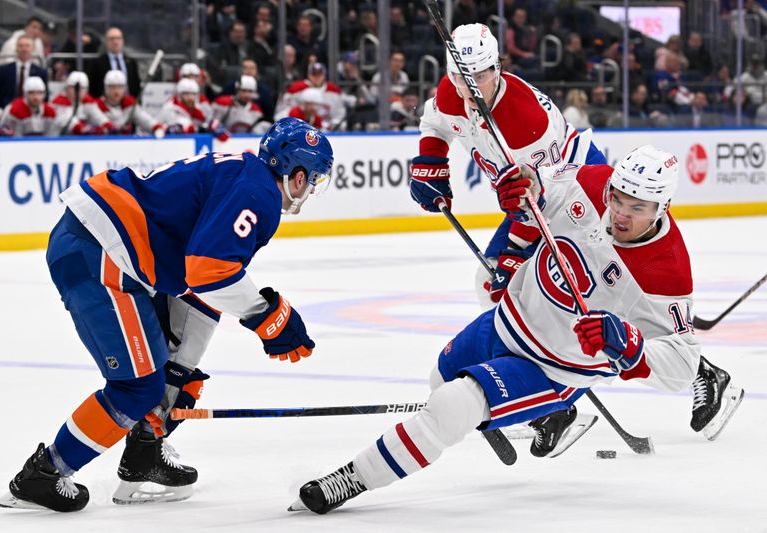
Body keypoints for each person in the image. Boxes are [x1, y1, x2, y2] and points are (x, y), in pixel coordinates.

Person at [292, 145, 744, 515]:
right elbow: (543, 182)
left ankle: (350, 479)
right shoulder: (593, 182)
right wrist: (524, 185)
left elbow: (684, 363)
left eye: (637, 208)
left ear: (663, 207)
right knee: (439, 382)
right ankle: (532, 417)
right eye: (617, 198)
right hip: (506, 321)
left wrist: (630, 345)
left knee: (453, 405)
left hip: (555, 371)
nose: (620, 214)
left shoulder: (667, 271)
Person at [0, 117, 334, 512]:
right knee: (137, 388)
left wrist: (182, 367)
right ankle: (42, 475)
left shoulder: (246, 174)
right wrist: (265, 315)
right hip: (99, 253)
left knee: (169, 378)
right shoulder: (258, 195)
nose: (310, 190)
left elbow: (204, 288)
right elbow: (209, 272)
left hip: (102, 246)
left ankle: (144, 456)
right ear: (296, 175)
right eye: (313, 180)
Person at [407, 23, 605, 310]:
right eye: (462, 77)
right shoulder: (451, 92)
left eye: (480, 75)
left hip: (580, 187)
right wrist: (432, 158)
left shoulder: (525, 123)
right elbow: (434, 122)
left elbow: (541, 198)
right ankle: (515, 351)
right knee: (491, 283)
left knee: (595, 279)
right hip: (532, 201)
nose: (471, 87)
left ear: (497, 67)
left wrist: (515, 250)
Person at [96, 70, 164, 136]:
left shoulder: (129, 105)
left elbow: (146, 120)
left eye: (120, 87)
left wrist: (157, 127)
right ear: (106, 88)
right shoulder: (97, 106)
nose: (116, 91)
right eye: (112, 87)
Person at [0, 35, 48, 111]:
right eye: (21, 46)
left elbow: (45, 96)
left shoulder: (41, 72)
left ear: (32, 48)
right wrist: (0, 111)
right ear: (16, 48)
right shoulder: (3, 70)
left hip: (31, 112)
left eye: (27, 46)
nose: (24, 49)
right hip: (8, 111)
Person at [52, 71, 111, 135]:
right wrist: (93, 130)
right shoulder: (59, 103)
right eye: (73, 88)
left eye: (81, 88)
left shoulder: (87, 102)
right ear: (67, 88)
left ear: (86, 90)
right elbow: (75, 126)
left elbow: (100, 118)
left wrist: (110, 127)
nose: (77, 91)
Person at [87, 27, 141, 99]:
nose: (115, 42)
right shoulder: (97, 63)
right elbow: (93, 87)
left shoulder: (131, 62)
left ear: (122, 41)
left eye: (118, 38)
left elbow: (136, 86)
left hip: (128, 105)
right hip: (105, 106)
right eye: (112, 39)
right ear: (106, 41)